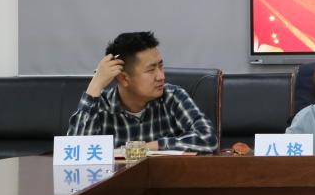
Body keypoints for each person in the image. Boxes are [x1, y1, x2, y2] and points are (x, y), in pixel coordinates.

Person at [66, 31, 218, 153]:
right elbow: (74, 152)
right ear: (123, 78)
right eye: (151, 70)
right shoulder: (101, 107)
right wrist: (95, 85)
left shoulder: (172, 97)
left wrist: (149, 147)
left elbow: (208, 139)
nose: (161, 76)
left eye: (160, 66)